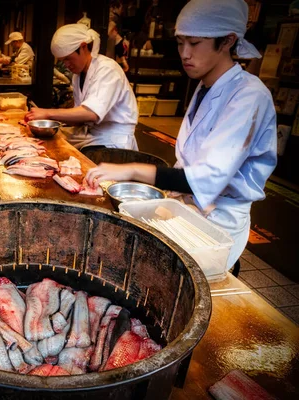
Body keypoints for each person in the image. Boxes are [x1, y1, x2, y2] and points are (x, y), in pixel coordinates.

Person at [85, 0, 276, 274]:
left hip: (218, 225)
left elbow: (206, 176)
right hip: (188, 210)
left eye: (195, 43)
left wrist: (131, 170)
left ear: (228, 41)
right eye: (180, 42)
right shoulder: (205, 87)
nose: (185, 54)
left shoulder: (249, 95)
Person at [26, 24, 138, 152]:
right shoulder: (78, 75)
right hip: (92, 135)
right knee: (45, 146)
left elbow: (91, 113)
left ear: (83, 47)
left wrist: (48, 113)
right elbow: (80, 118)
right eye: (63, 61)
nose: (67, 65)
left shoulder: (107, 69)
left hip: (112, 140)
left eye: (68, 58)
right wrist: (49, 121)